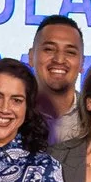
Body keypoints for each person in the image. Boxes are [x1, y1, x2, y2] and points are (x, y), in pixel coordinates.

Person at [29, 14, 87, 144]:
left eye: (70, 52)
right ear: (31, 57)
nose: (59, 59)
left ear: (82, 63)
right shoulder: (10, 113)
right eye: (49, 49)